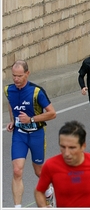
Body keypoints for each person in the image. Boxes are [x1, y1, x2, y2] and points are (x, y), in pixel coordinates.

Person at [5, 60, 57, 208]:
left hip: (36, 134)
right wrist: (13, 121)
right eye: (14, 76)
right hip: (19, 134)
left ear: (27, 74)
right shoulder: (8, 90)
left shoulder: (36, 92)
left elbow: (52, 114)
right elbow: (11, 103)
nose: (16, 79)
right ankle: (17, 206)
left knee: (39, 172)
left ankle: (48, 191)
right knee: (17, 170)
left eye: (19, 76)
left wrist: (31, 119)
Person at [34, 120, 90, 207]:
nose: (67, 153)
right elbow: (39, 191)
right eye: (63, 147)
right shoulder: (51, 165)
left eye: (72, 148)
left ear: (83, 146)